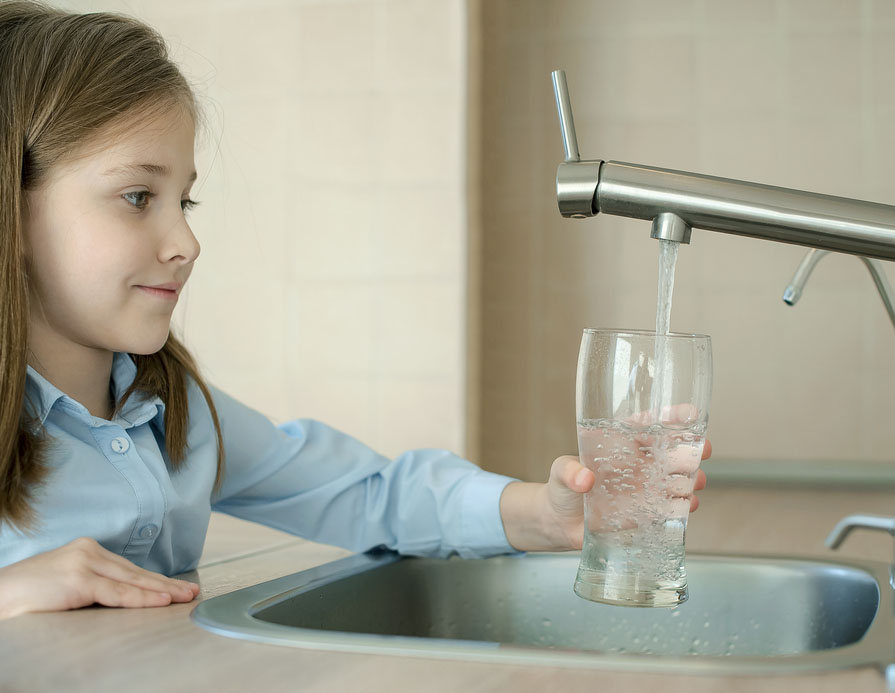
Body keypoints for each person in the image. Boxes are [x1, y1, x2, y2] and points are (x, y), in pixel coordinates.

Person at [0, 1, 710, 619]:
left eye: (184, 200)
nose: (186, 241)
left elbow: (368, 492)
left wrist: (548, 512)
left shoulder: (174, 409)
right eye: (136, 197)